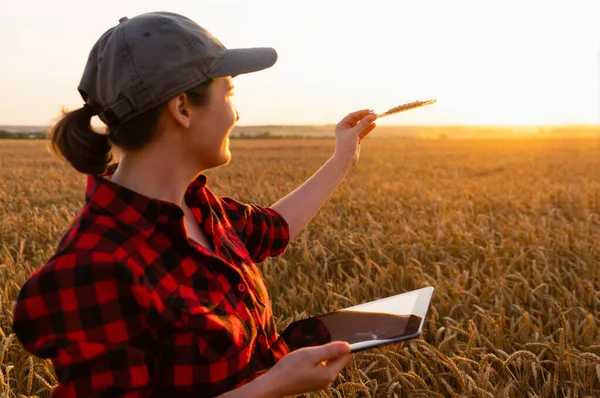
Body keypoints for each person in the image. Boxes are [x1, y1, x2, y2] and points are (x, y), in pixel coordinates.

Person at [11, 11, 377, 398]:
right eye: (229, 93)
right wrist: (273, 386)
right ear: (182, 108)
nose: (236, 114)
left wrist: (342, 159)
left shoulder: (198, 206)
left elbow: (274, 228)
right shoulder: (94, 269)